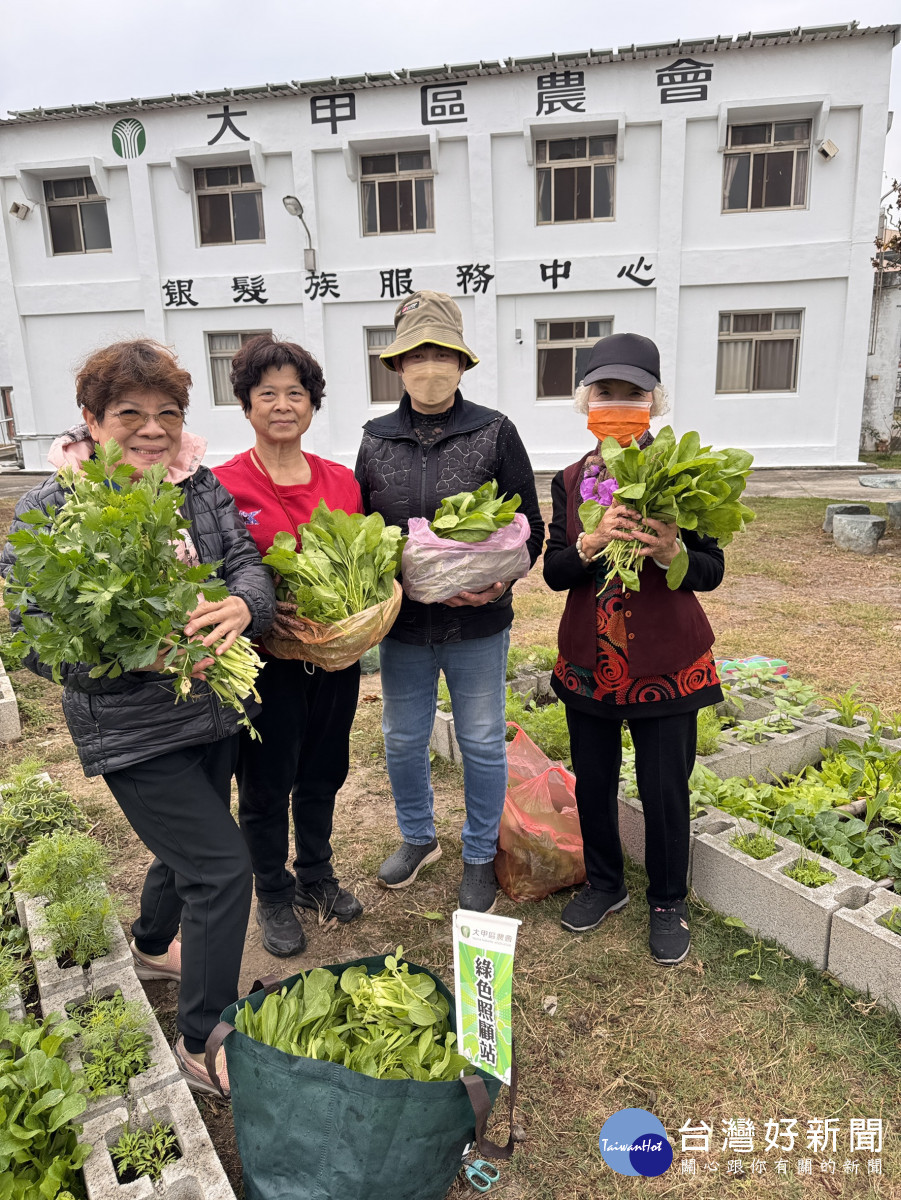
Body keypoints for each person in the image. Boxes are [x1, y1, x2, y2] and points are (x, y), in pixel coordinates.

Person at [0, 339, 275, 1094]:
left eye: (168, 413)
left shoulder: (197, 485)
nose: (153, 429)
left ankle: (154, 942)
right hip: (130, 726)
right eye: (131, 414)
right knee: (222, 868)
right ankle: (203, 1037)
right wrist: (131, 659)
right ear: (91, 420)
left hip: (213, 704)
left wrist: (242, 604)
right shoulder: (50, 506)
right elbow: (30, 636)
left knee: (188, 845)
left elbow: (248, 561)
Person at [354, 291, 545, 913]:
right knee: (403, 738)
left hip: (479, 622)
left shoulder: (495, 431)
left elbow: (530, 528)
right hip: (403, 626)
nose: (429, 367)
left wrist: (502, 581)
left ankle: (479, 853)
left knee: (484, 740)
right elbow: (362, 534)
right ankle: (417, 838)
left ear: (461, 364)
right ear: (398, 366)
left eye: (441, 355)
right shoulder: (375, 440)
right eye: (416, 355)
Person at [543, 332, 724, 966]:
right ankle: (605, 884)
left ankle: (668, 900)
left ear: (656, 402)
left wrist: (675, 551)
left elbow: (711, 569)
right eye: (605, 392)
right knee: (593, 781)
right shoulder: (571, 481)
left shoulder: (681, 476)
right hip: (590, 657)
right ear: (585, 400)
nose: (618, 403)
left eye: (633, 393)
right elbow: (555, 571)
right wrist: (590, 544)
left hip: (664, 662)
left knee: (664, 785)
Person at [213, 335, 364, 958]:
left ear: (312, 405)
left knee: (325, 771)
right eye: (266, 393)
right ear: (247, 405)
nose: (281, 404)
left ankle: (317, 874)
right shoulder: (218, 486)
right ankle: (272, 891)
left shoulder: (342, 482)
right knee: (267, 780)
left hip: (334, 658)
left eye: (294, 393)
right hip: (262, 664)